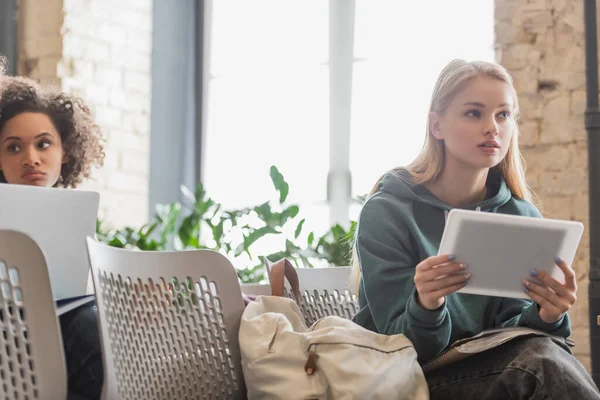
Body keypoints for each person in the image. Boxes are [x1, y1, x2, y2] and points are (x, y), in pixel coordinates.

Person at [351, 59, 600, 399]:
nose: (492, 127)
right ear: (436, 125)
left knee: (542, 359)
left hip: (496, 372)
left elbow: (520, 336)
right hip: (407, 379)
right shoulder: (388, 212)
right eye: (473, 113)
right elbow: (402, 348)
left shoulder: (520, 215)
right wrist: (428, 303)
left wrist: (548, 314)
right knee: (540, 365)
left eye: (503, 114)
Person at [0, 73, 105, 399]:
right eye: (13, 147)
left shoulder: (81, 220)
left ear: (66, 152)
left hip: (58, 324)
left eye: (43, 144)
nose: (31, 158)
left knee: (91, 323)